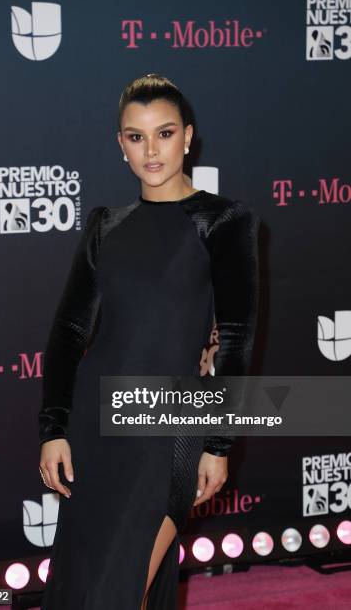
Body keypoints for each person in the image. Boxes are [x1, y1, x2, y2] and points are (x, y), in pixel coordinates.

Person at [38, 73, 260, 609]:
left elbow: (234, 340)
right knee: (90, 587)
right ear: (121, 145)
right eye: (136, 137)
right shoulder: (104, 227)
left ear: (188, 136)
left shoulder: (224, 222)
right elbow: (69, 332)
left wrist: (218, 442)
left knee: (117, 588)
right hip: (97, 428)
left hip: (172, 430)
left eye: (163, 133)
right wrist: (54, 428)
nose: (151, 149)